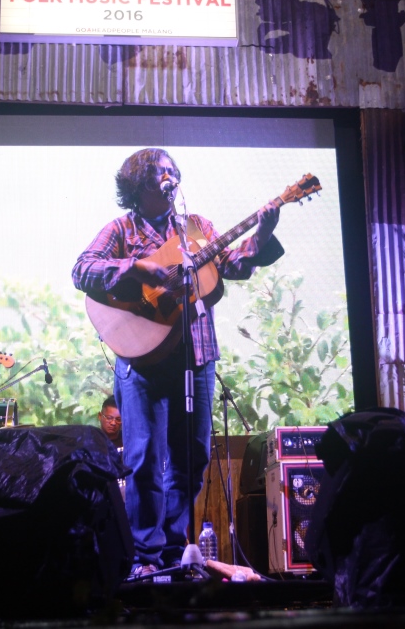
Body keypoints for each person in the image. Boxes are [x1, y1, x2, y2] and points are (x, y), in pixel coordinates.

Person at [72, 148, 283, 573]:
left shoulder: (197, 227)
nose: (170, 177)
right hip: (141, 359)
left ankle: (173, 552)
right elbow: (82, 270)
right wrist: (139, 268)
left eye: (172, 171)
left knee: (192, 457)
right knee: (143, 458)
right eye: (160, 172)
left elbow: (234, 265)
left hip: (197, 354)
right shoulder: (121, 229)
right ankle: (144, 558)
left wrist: (261, 236)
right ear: (139, 182)